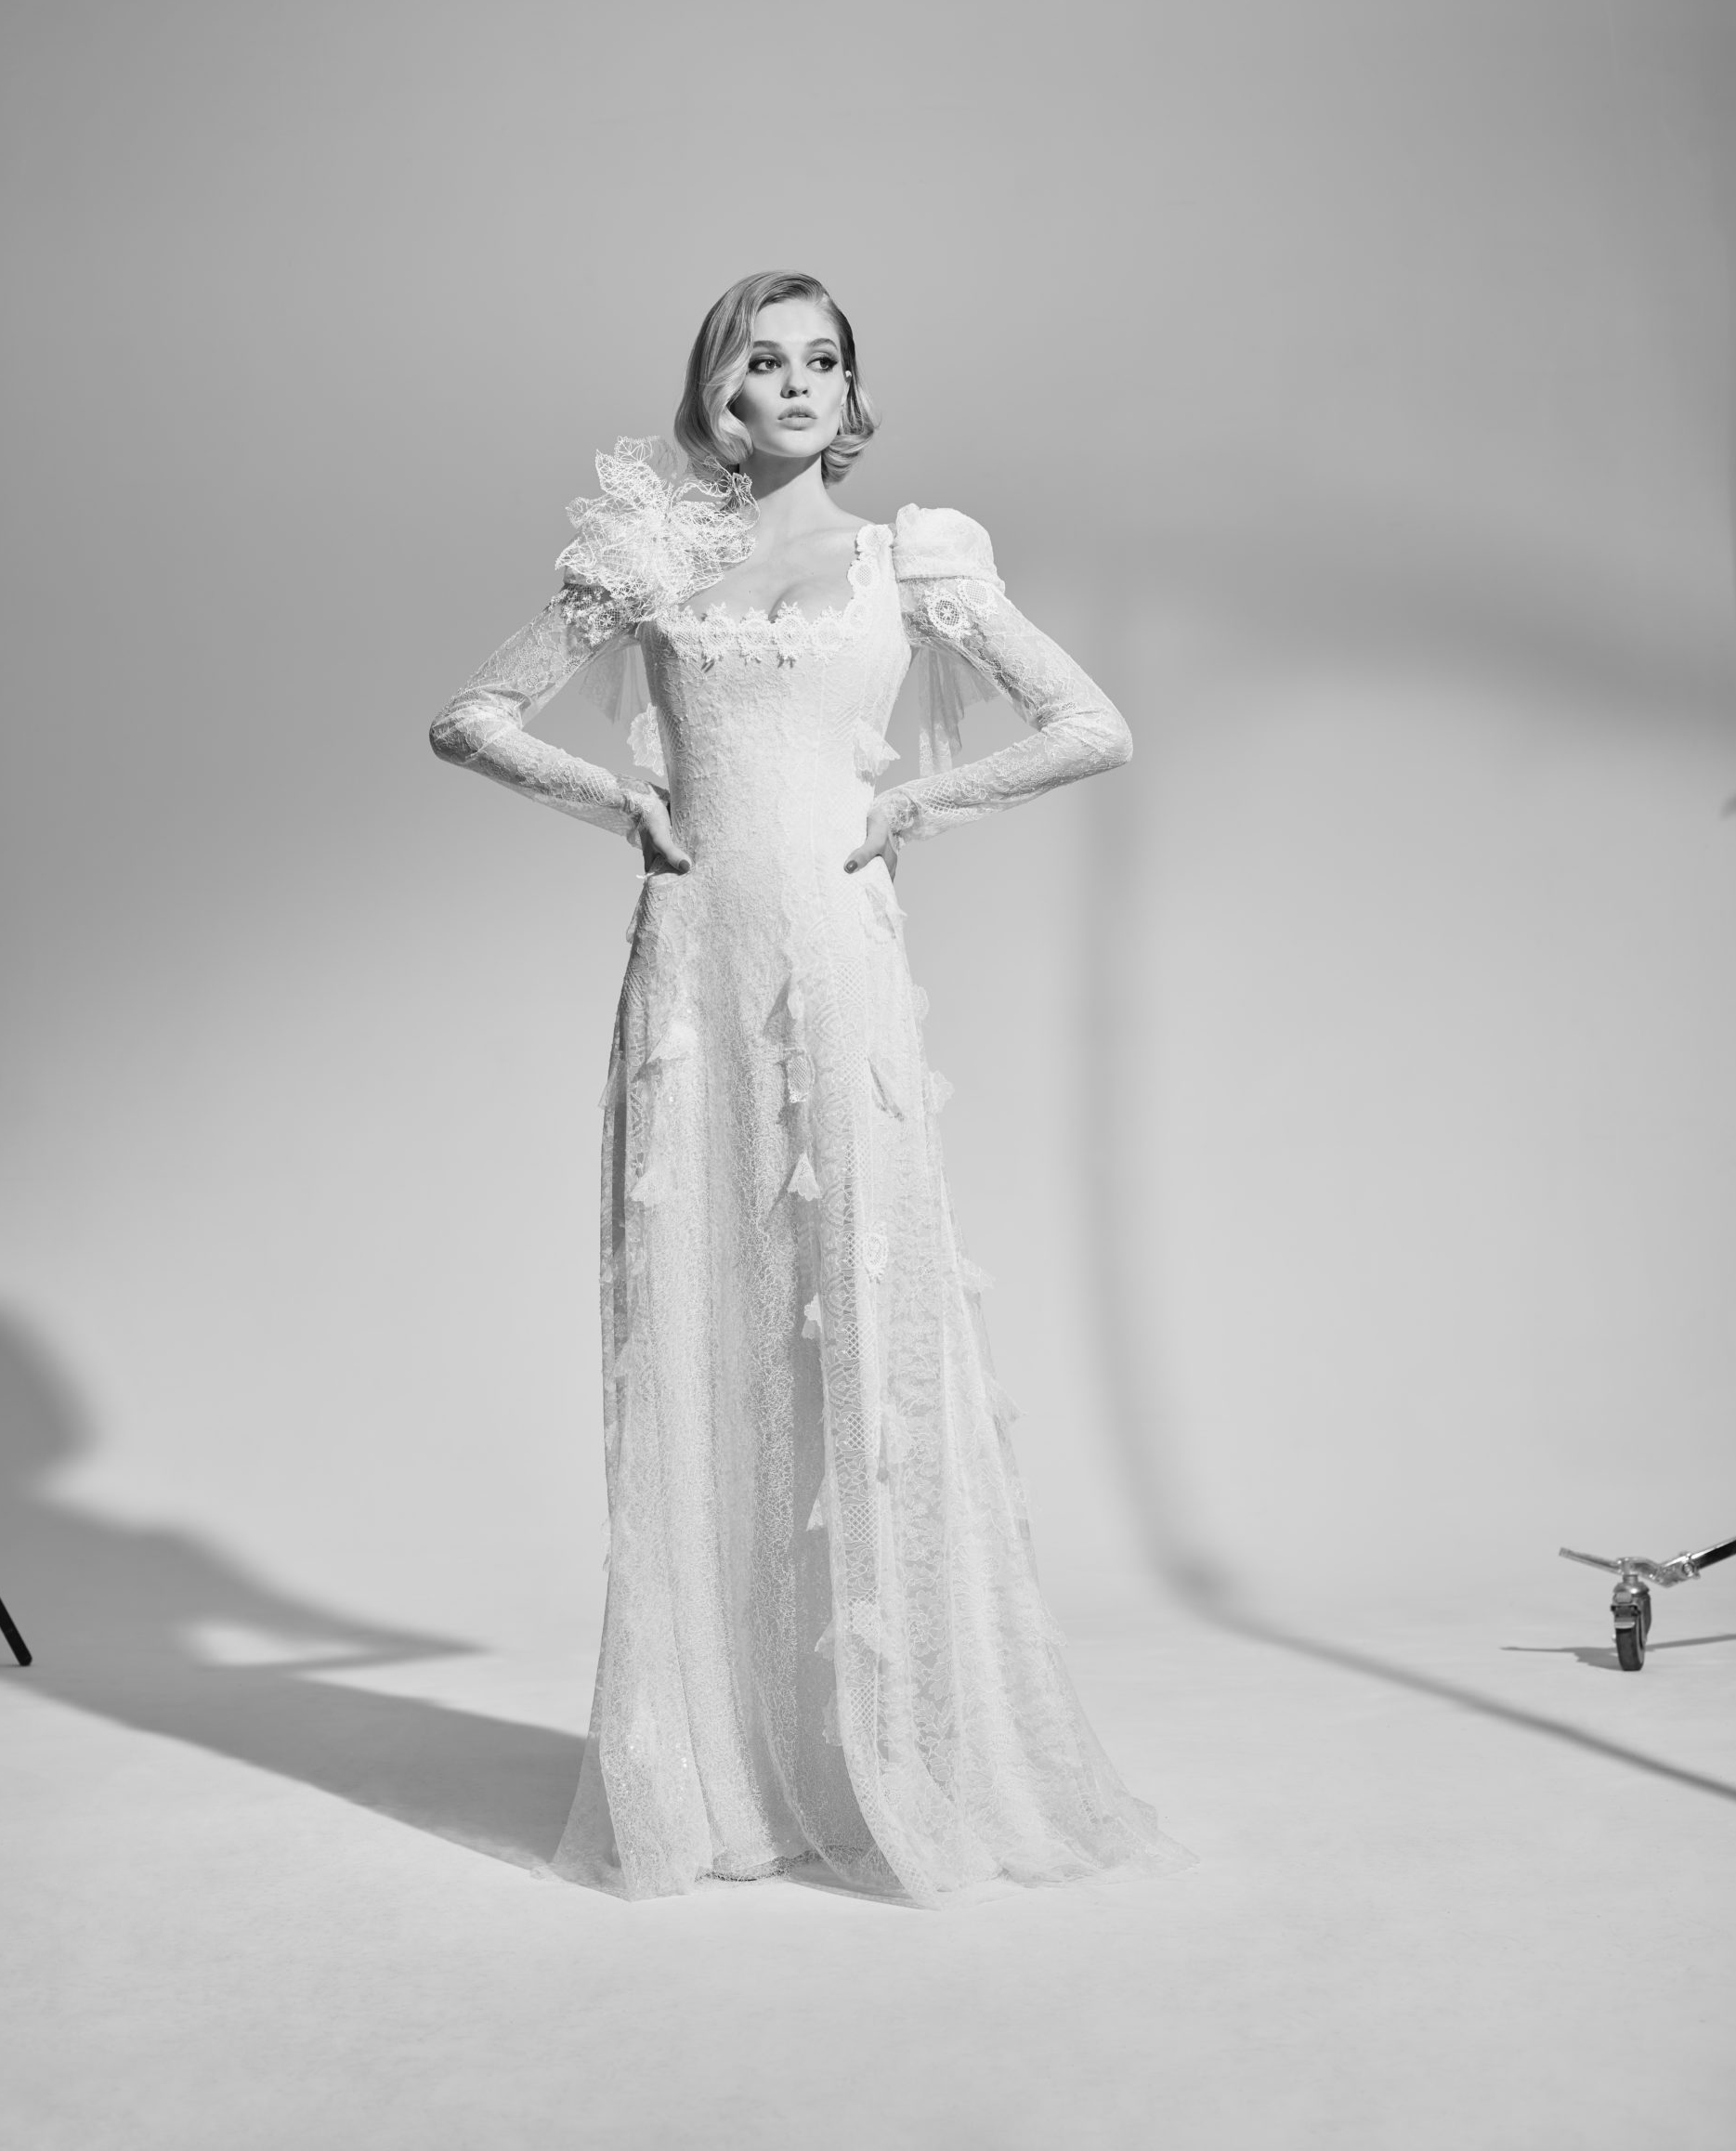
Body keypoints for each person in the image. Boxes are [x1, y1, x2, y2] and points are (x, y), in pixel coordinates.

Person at [429, 270, 1188, 1905]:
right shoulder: (647, 558)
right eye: (761, 359)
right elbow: (470, 717)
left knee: (856, 1315)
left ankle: (891, 1753)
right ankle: (711, 1763)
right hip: (690, 977)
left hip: (835, 969)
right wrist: (618, 805)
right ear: (716, 389)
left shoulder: (913, 559)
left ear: (851, 393)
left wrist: (911, 810)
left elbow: (1089, 725)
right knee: (704, 1320)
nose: (793, 382)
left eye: (821, 360)